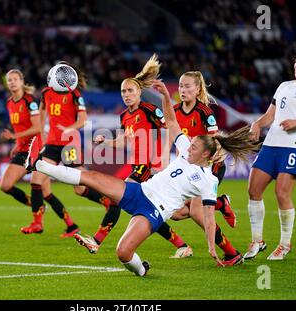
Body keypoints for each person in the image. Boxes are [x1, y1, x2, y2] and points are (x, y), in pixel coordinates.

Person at [32, 78, 260, 276]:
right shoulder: (183, 150)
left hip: (155, 210)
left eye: (193, 147)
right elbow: (171, 123)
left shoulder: (208, 180)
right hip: (140, 191)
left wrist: (211, 247)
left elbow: (209, 219)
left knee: (123, 252)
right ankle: (39, 164)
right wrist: (164, 95)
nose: (186, 147)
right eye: (189, 144)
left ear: (206, 154)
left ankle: (142, 269)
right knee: (89, 177)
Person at [74, 54, 193, 259]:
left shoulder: (149, 110)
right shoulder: (125, 116)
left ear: (139, 92)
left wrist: (174, 153)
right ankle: (183, 242)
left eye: (130, 90)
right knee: (160, 212)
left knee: (117, 199)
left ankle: (96, 241)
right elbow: (123, 141)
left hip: (148, 166)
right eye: (123, 91)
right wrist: (105, 141)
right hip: (137, 166)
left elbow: (173, 127)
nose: (126, 94)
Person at [244, 46, 296, 260]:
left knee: (282, 193)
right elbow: (270, 115)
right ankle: (257, 241)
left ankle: (284, 244)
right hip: (271, 144)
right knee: (253, 191)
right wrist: (256, 124)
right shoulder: (284, 86)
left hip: (295, 146)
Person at [172, 71, 243, 263]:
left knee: (196, 212)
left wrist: (206, 163)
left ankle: (231, 252)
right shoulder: (175, 111)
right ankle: (221, 203)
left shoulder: (205, 112)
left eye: (188, 86)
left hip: (209, 166)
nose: (183, 90)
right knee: (176, 214)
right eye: (180, 86)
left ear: (197, 89)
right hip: (190, 167)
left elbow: (213, 142)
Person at [0, 69, 80, 237]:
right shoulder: (9, 103)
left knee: (6, 185)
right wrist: (16, 142)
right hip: (21, 148)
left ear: (22, 81)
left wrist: (15, 136)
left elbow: (37, 127)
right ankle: (71, 226)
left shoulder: (29, 102)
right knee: (45, 193)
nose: (12, 82)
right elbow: (20, 127)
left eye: (15, 79)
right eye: (9, 80)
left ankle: (36, 211)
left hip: (32, 149)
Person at [38, 61, 117, 230]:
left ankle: (109, 200)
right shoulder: (46, 93)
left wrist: (68, 129)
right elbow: (42, 113)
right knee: (38, 181)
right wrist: (42, 133)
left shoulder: (75, 94)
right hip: (51, 144)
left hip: (69, 145)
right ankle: (53, 224)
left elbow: (83, 120)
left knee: (80, 189)